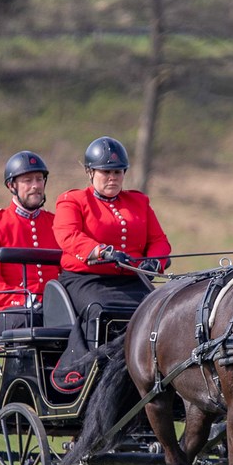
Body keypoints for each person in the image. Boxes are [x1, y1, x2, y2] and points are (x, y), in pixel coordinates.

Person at [53, 135, 171, 328]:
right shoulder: (73, 200)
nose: (113, 178)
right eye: (106, 172)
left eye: (117, 172)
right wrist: (102, 251)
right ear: (90, 172)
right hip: (88, 280)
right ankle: (92, 358)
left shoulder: (139, 202)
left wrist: (154, 262)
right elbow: (68, 235)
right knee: (102, 311)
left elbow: (159, 240)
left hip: (134, 280)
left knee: (160, 311)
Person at [0, 150, 60, 333]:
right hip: (5, 312)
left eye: (39, 179)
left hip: (53, 309)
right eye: (28, 181)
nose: (36, 186)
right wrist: (25, 300)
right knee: (31, 321)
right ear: (12, 186)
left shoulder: (56, 223)